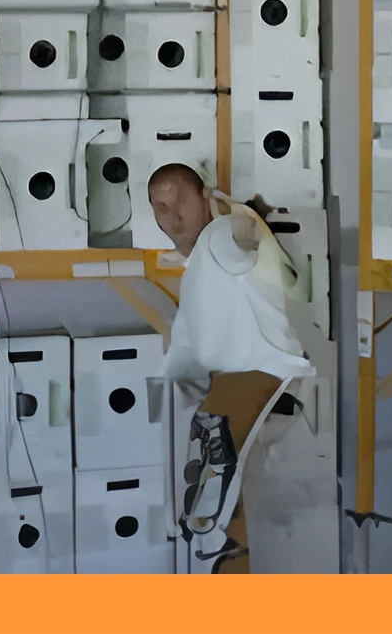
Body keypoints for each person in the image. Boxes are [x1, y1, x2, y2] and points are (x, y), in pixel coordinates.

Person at [148, 163, 312, 573]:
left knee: (214, 509)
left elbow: (246, 241)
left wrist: (243, 219)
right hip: (238, 388)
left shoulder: (220, 238)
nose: (172, 215)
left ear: (203, 197)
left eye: (178, 200)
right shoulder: (198, 270)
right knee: (222, 512)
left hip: (258, 380)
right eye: (160, 207)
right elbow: (182, 354)